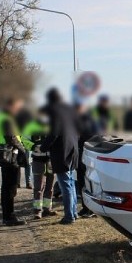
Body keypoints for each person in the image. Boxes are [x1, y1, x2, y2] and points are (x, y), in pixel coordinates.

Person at [41, 88, 80, 225]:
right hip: (72, 149)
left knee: (65, 185)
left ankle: (69, 216)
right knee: (70, 183)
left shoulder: (54, 112)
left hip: (61, 152)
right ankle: (74, 213)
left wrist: (43, 146)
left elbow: (54, 133)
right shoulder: (69, 110)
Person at [0, 98, 27, 226]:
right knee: (9, 188)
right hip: (9, 157)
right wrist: (23, 151)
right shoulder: (7, 118)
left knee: (7, 187)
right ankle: (9, 217)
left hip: (6, 156)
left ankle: (8, 216)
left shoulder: (2, 116)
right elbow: (11, 137)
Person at [22, 111, 58, 219]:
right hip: (38, 160)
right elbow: (24, 140)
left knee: (50, 187)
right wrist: (33, 147)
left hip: (51, 160)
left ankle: (47, 209)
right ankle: (37, 210)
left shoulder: (52, 125)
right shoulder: (30, 126)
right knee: (38, 187)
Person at [75, 100, 99, 218]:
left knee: (83, 183)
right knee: (91, 183)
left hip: (83, 155)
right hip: (92, 156)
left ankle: (87, 208)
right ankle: (92, 208)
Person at [15, 108, 33, 189]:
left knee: (26, 164)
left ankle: (27, 182)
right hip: (18, 144)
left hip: (25, 144)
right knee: (18, 163)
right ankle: (18, 182)